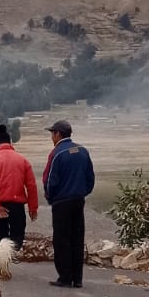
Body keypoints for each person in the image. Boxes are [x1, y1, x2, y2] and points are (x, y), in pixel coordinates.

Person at [41, 119, 95, 288]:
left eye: (52, 133)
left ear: (58, 134)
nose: (51, 137)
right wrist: (82, 193)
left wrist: (51, 198)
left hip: (61, 202)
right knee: (77, 238)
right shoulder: (83, 151)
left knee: (62, 239)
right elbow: (90, 178)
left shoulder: (57, 153)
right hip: (78, 201)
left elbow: (49, 180)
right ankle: (77, 278)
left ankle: (65, 277)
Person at [0, 123, 37, 251]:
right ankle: (13, 258)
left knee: (1, 238)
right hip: (17, 206)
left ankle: (4, 264)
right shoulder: (22, 160)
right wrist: (33, 208)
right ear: (10, 143)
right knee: (17, 237)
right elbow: (31, 186)